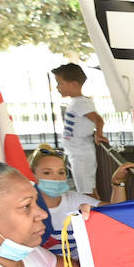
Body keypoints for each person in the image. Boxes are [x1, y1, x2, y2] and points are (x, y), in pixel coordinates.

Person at [29, 145, 131, 254]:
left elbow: (116, 213)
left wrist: (118, 183)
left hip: (79, 266)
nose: (56, 178)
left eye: (61, 172)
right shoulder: (25, 207)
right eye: (47, 173)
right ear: (32, 176)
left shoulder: (74, 199)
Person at [53, 63, 105, 198]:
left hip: (81, 155)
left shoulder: (81, 103)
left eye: (60, 83)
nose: (58, 87)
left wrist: (99, 134)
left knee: (87, 191)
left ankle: (99, 215)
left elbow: (98, 119)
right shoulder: (77, 102)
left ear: (73, 84)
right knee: (86, 189)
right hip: (76, 154)